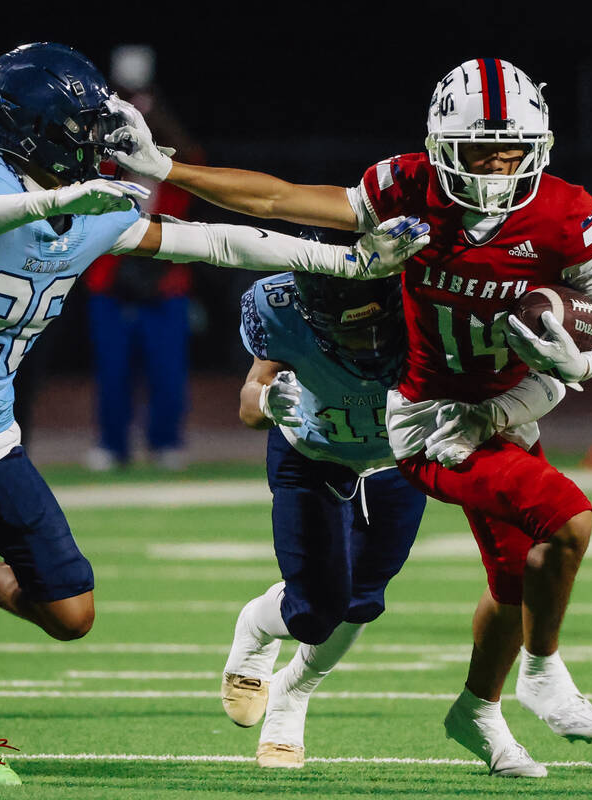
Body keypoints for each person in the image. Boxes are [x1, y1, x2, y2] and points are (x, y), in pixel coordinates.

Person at [0, 41, 429, 787]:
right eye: (80, 125)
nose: (95, 140)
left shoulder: (92, 207)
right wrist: (56, 202)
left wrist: (350, 261)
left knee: (72, 614)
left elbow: (217, 240)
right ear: (34, 128)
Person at [106, 56, 592, 777]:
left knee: (425, 593)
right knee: (336, 599)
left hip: (489, 411)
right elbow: (255, 223)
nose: (495, 173)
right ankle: (527, 673)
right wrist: (153, 192)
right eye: (478, 154)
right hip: (407, 422)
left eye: (511, 153)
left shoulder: (561, 215)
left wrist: (577, 365)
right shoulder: (359, 241)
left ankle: (459, 708)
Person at [224, 254, 566, 769]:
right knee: (315, 611)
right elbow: (251, 395)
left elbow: (525, 384)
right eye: (348, 331)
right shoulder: (281, 306)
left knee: (362, 600)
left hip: (396, 457)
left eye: (371, 328)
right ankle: (255, 626)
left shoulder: (429, 305)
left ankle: (290, 698)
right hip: (313, 452)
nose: (363, 345)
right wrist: (268, 402)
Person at [80, 44, 207, 471]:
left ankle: (165, 441)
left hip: (165, 276)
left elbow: (194, 161)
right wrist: (113, 118)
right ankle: (113, 445)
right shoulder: (103, 149)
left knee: (167, 371)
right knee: (113, 372)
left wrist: (156, 115)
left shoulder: (171, 154)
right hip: (110, 275)